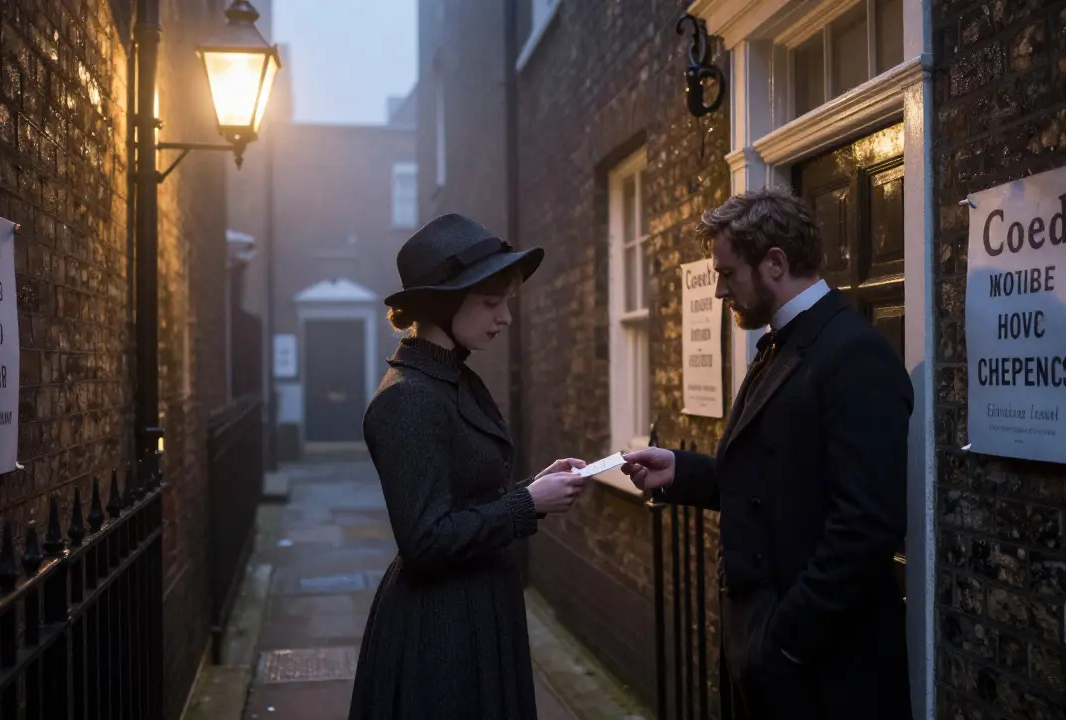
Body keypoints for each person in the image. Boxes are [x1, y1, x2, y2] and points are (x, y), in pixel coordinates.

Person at [621, 188, 914, 719]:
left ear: (775, 263)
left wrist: (783, 643)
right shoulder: (780, 344)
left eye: (727, 273)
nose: (719, 291)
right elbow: (775, 480)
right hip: (771, 657)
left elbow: (868, 523)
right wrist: (681, 472)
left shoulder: (854, 354)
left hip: (825, 672)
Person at [349, 213, 587, 720]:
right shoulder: (408, 398)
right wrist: (526, 505)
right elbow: (424, 540)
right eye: (491, 303)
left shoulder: (452, 378)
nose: (505, 318)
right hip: (441, 631)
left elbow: (465, 495)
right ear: (444, 303)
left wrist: (533, 489)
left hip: (477, 608)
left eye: (505, 302)